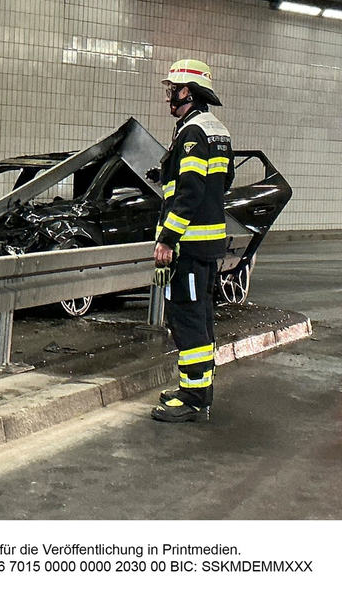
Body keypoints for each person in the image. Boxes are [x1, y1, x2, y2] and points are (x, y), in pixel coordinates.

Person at [151, 59, 234, 423]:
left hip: (188, 245)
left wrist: (168, 238)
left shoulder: (191, 133)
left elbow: (189, 191)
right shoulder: (216, 130)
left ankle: (192, 398)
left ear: (189, 91)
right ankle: (201, 389)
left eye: (174, 89)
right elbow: (221, 181)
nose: (170, 95)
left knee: (187, 321)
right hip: (209, 244)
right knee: (201, 318)